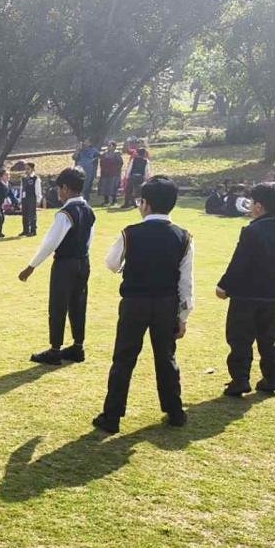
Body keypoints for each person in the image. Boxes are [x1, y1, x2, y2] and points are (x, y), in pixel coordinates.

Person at [93, 176, 194, 434]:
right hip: (166, 304)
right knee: (166, 357)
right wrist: (183, 316)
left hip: (134, 302)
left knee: (124, 358)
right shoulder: (183, 236)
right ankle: (175, 411)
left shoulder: (130, 233)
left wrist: (129, 265)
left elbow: (112, 263)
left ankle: (112, 416)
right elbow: (186, 281)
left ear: (145, 204)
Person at [216, 182, 275, 397]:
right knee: (269, 339)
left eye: (252, 203)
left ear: (259, 206)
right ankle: (272, 377)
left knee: (240, 338)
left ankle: (240, 379)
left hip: (247, 295)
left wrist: (224, 286)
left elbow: (239, 263)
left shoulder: (252, 231)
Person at [18, 167, 95, 365]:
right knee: (78, 303)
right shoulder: (88, 210)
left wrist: (31, 266)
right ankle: (78, 346)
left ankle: (55, 349)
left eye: (59, 189)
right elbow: (90, 238)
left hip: (65, 263)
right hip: (83, 261)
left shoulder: (65, 213)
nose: (58, 193)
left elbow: (50, 243)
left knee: (58, 305)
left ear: (66, 188)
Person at [19, 163, 42, 237]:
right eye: (25, 169)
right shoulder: (23, 178)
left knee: (32, 214)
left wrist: (38, 200)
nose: (26, 170)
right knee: (24, 214)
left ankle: (33, 230)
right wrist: (20, 199)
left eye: (28, 169)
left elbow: (38, 190)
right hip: (24, 198)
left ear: (32, 169)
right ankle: (25, 230)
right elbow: (21, 189)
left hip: (32, 198)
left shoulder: (35, 178)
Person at [98, 142, 123, 207]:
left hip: (114, 173)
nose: (108, 147)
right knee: (105, 187)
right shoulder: (104, 154)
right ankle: (106, 201)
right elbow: (101, 162)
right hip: (105, 173)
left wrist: (116, 170)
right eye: (108, 145)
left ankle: (114, 201)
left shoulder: (117, 154)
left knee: (113, 187)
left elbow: (120, 163)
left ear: (114, 147)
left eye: (110, 145)